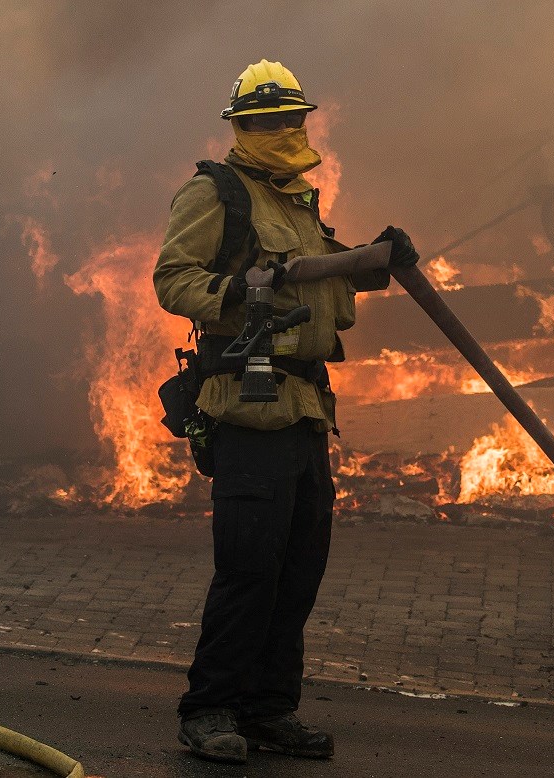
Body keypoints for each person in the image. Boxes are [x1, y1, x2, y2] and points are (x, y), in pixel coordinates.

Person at [153, 59, 419, 764]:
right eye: (265, 120)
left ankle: (269, 710)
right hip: (247, 407)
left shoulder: (296, 199)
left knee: (298, 568)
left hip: (303, 407)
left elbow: (324, 274)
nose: (281, 129)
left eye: (290, 118)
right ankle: (209, 710)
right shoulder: (217, 193)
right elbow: (173, 279)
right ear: (240, 126)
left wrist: (378, 258)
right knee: (249, 568)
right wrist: (242, 290)